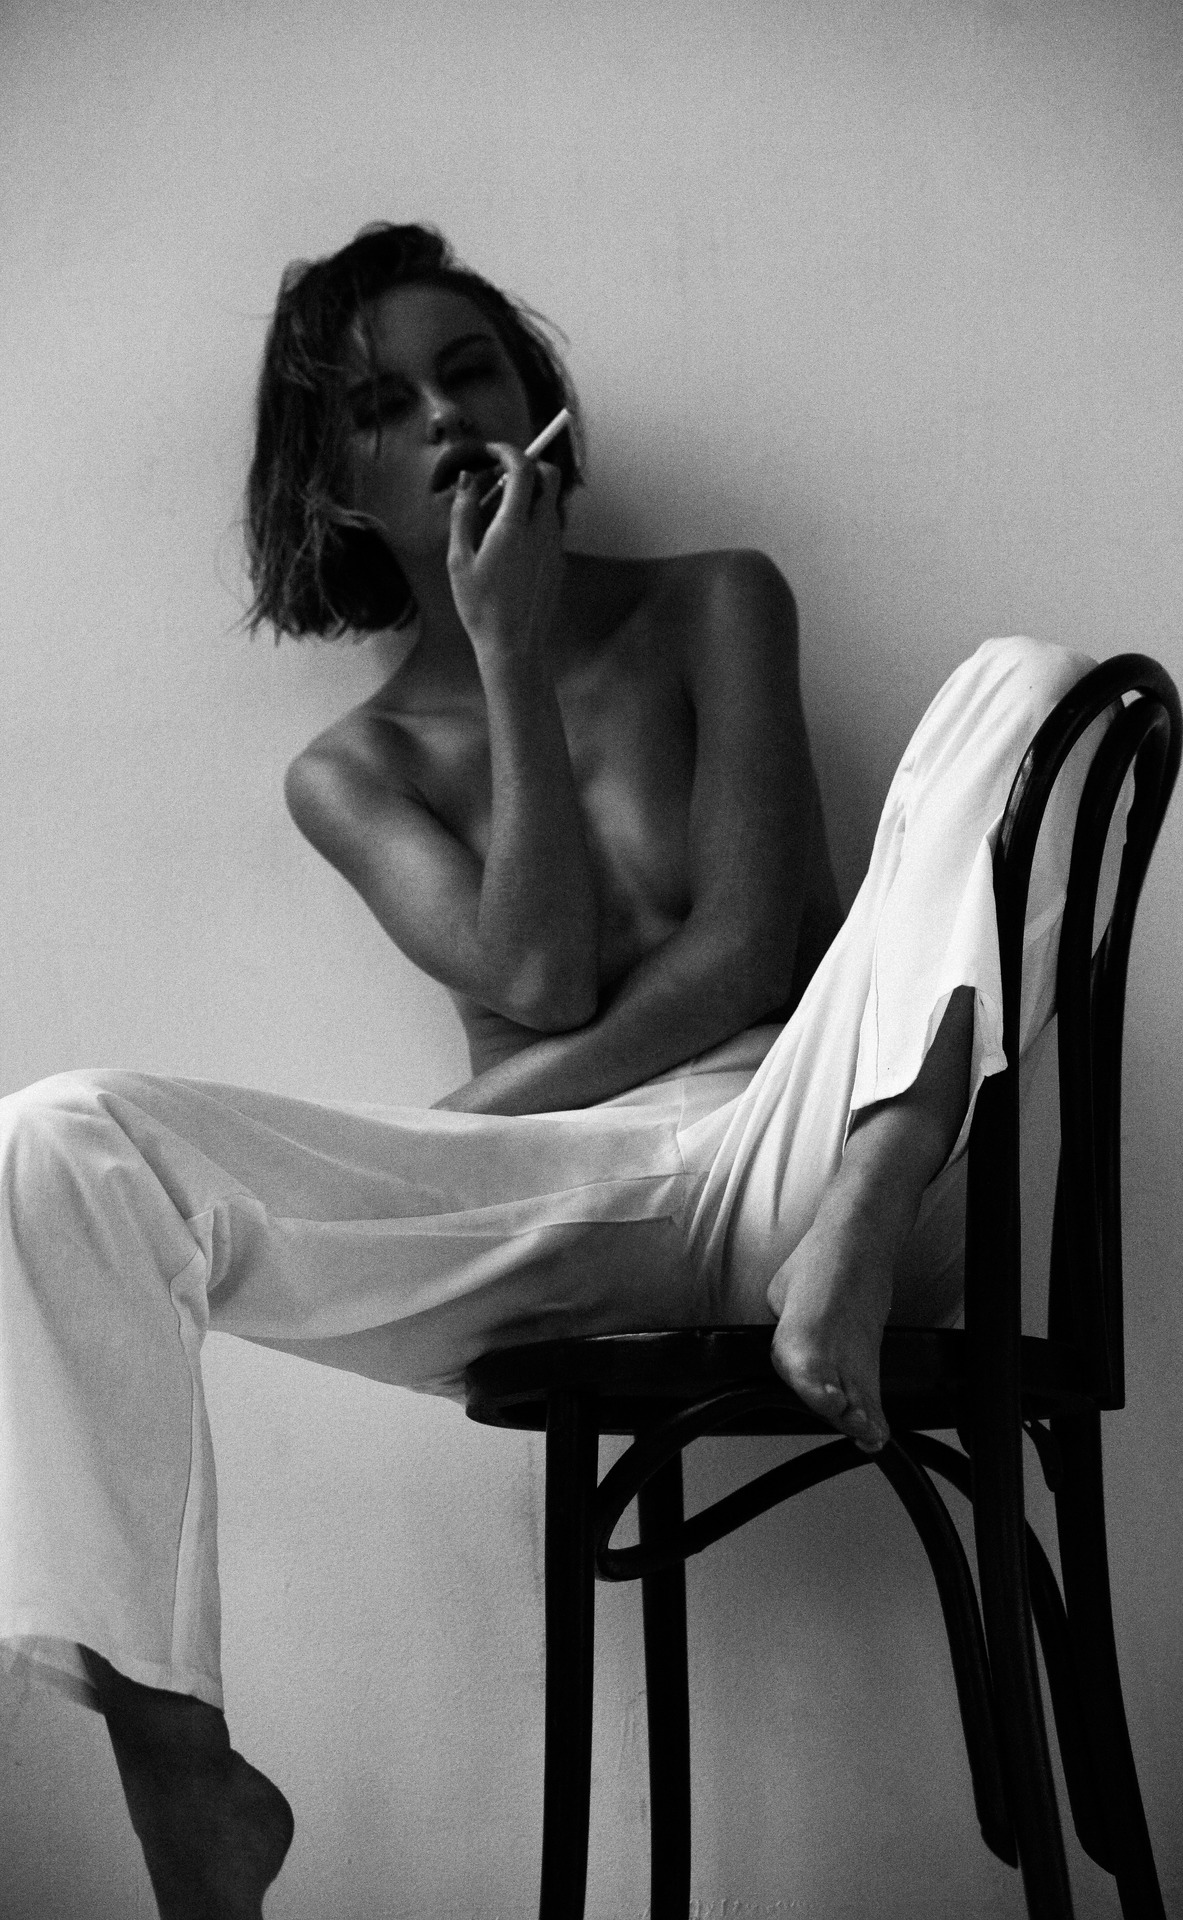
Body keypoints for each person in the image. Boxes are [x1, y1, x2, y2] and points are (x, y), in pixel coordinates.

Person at [0, 223, 1116, 1917]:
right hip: (576, 1215)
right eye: (382, 408)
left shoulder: (715, 601)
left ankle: (866, 1213)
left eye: (471, 373)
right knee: (55, 1141)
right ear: (334, 485)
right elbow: (535, 972)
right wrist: (504, 658)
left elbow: (752, 955)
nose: (444, 418)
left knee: (1032, 689)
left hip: (824, 1131)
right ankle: (181, 1767)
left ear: (541, 406)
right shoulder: (354, 768)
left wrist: (480, 1116)